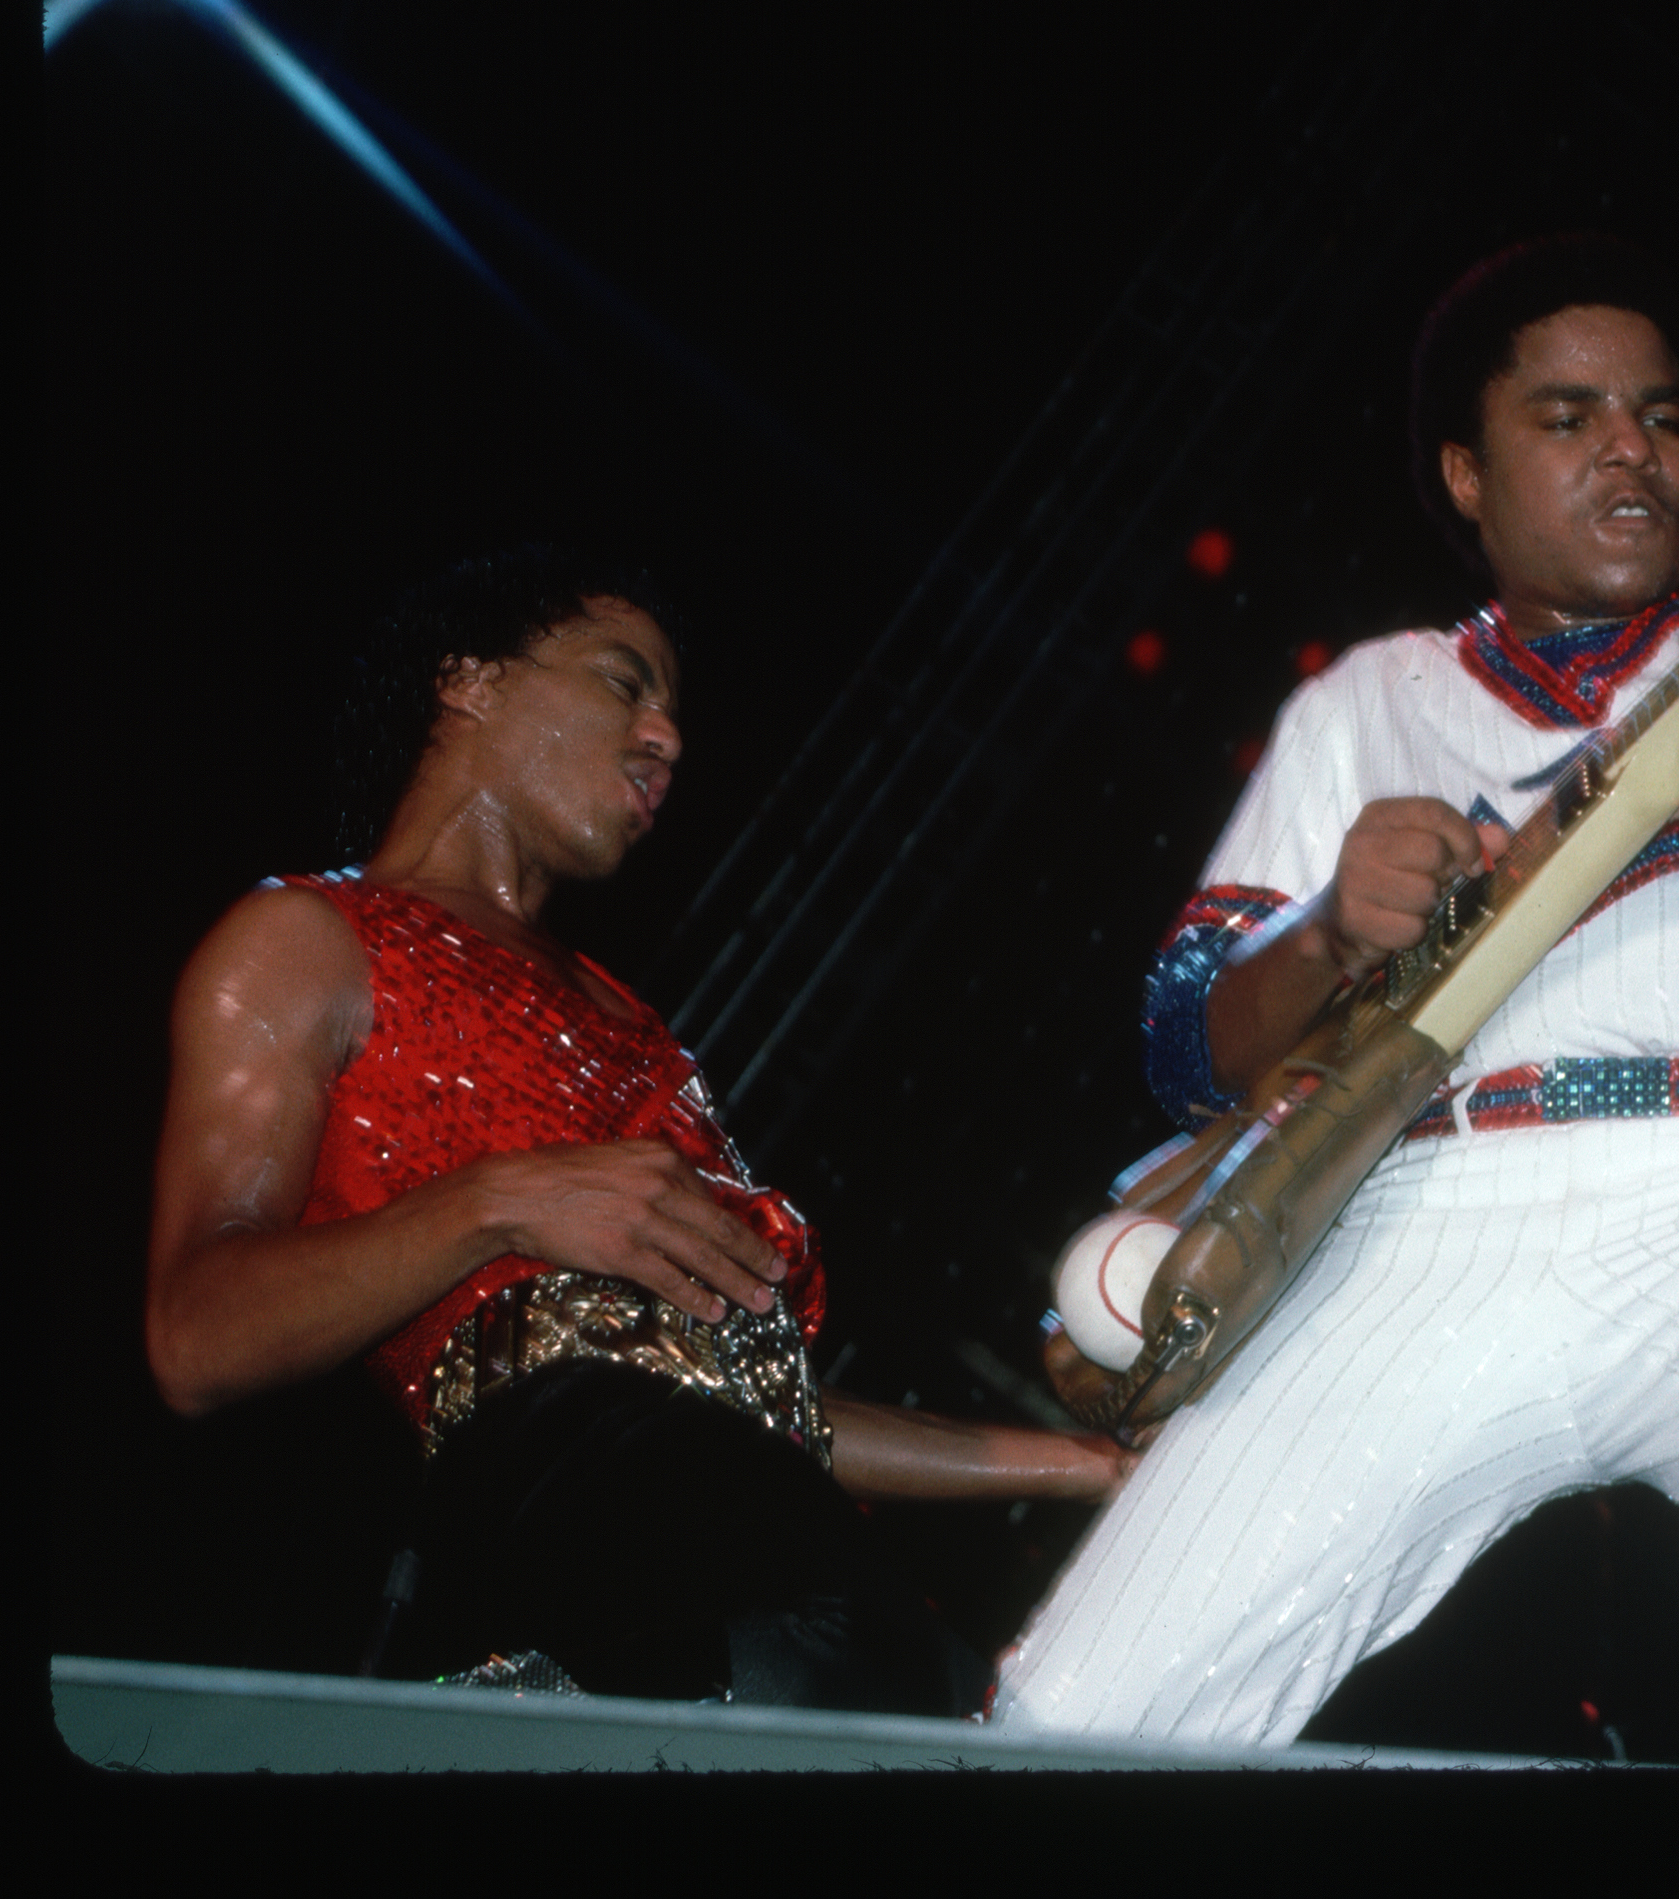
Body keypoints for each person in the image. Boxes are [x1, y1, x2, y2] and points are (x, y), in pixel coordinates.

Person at [995, 237, 1679, 1762]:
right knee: (1077, 1710)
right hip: (1435, 1209)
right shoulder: (1369, 697)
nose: (1632, 443)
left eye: (1664, 415)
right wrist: (1333, 932)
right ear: (1465, 475)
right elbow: (1191, 1047)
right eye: (1568, 415)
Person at [144, 546, 1122, 1711]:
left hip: (747, 1530)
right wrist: (501, 1198)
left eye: (672, 707)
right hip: (574, 1501)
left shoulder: (632, 1024)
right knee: (857, 1677)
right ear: (470, 680)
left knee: (961, 1702)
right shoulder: (311, 939)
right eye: (624, 682)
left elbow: (754, 1411)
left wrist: (1085, 1467)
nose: (667, 737)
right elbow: (193, 1336)